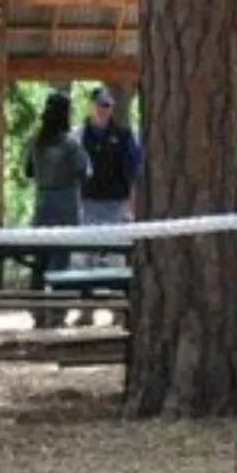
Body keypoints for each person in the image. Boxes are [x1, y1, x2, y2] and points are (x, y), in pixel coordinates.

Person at [23, 91, 91, 327]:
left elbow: (28, 172)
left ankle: (37, 311)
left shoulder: (36, 142)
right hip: (66, 206)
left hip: (42, 205)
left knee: (39, 261)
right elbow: (85, 173)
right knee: (61, 261)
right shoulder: (71, 145)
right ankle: (57, 312)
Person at [77, 86, 142, 268]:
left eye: (107, 106)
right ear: (91, 106)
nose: (103, 110)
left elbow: (132, 169)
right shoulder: (79, 135)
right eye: (100, 105)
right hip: (88, 203)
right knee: (88, 252)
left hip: (116, 203)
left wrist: (132, 201)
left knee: (114, 253)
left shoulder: (124, 135)